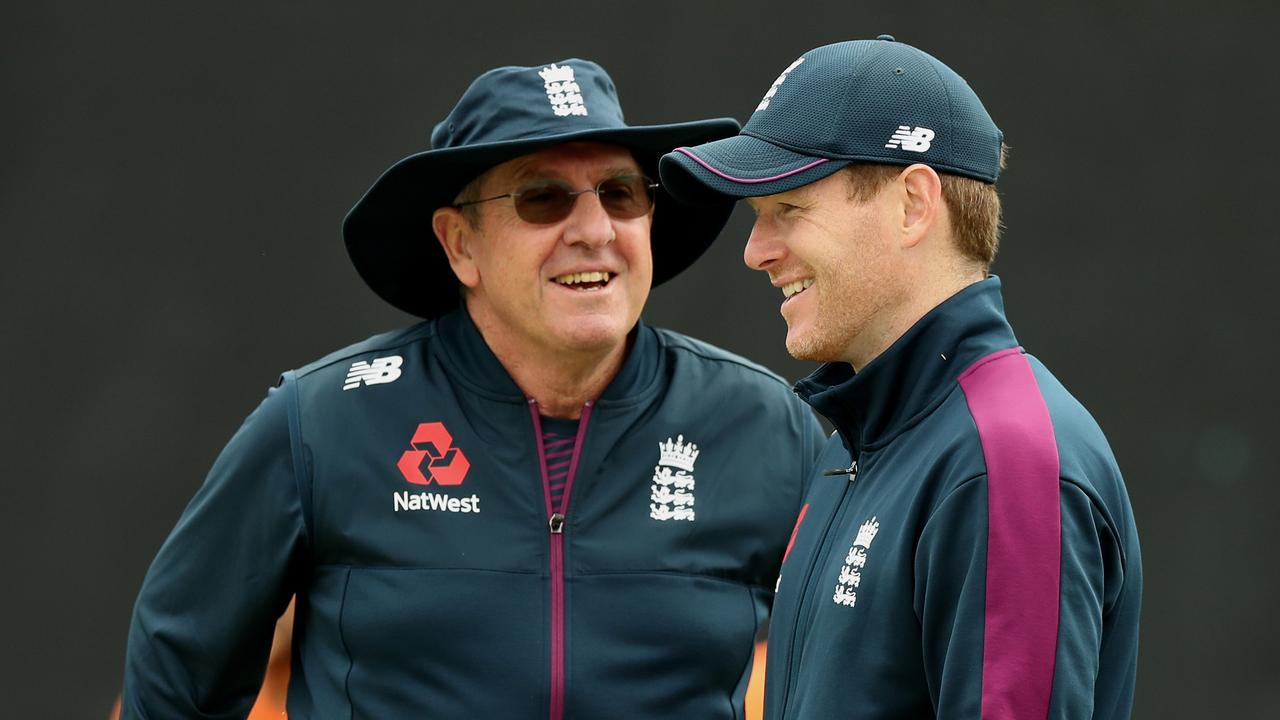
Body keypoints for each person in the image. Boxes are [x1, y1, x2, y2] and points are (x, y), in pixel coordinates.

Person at [121, 58, 825, 719]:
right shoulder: (322, 421)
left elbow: (856, 673)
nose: (594, 229)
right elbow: (174, 684)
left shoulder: (767, 427)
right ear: (460, 244)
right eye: (542, 198)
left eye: (620, 193)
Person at [660, 36, 1142, 720]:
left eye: (787, 209)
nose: (755, 251)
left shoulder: (1001, 459)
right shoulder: (861, 443)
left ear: (914, 203)